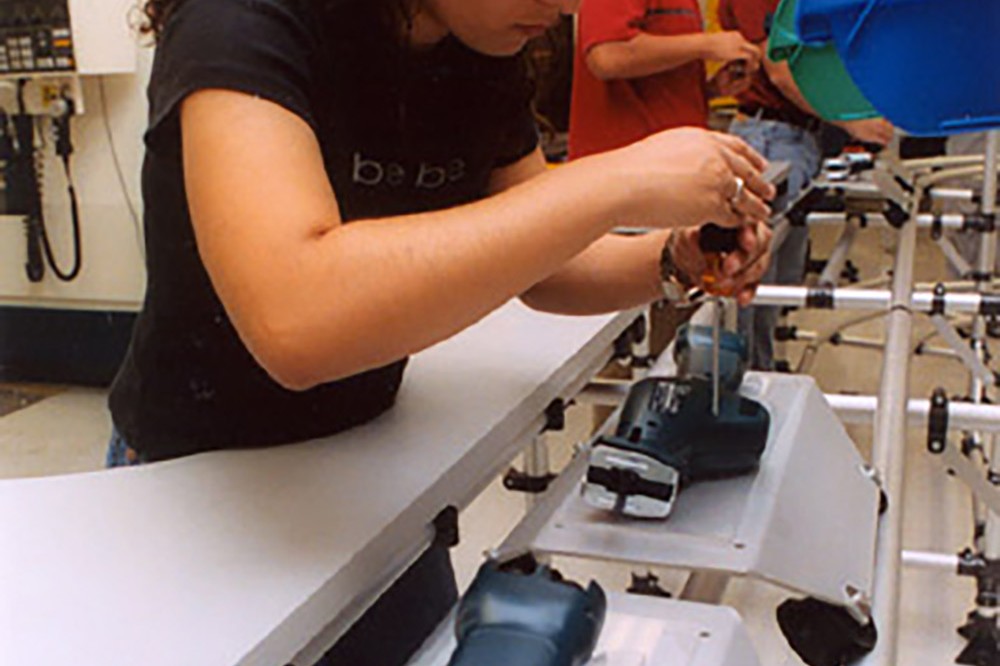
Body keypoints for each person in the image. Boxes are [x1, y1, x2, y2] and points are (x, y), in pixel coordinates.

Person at [109, 0, 775, 663]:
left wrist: (674, 258)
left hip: (370, 472)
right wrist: (617, 181)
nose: (567, 5)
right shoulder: (239, 20)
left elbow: (545, 259)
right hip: (203, 492)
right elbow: (296, 320)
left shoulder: (477, 43)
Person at [718, 0, 893, 370]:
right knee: (754, 283)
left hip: (797, 137)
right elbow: (779, 68)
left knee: (775, 285)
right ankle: (746, 383)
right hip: (770, 137)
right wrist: (848, 122)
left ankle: (761, 377)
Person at [569, 0, 763, 159]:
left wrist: (709, 89)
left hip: (673, 162)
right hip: (625, 168)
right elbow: (607, 56)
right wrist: (706, 45)